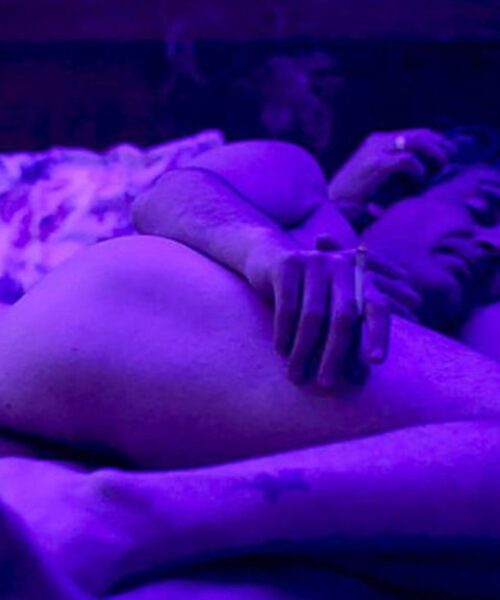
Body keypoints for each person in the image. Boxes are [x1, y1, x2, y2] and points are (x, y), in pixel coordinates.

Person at [0, 130, 499, 598]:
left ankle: (68, 519)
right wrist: (268, 253)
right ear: (406, 185)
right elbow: (170, 196)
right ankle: (121, 516)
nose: (489, 242)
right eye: (483, 208)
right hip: (112, 320)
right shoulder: (314, 206)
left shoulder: (464, 336)